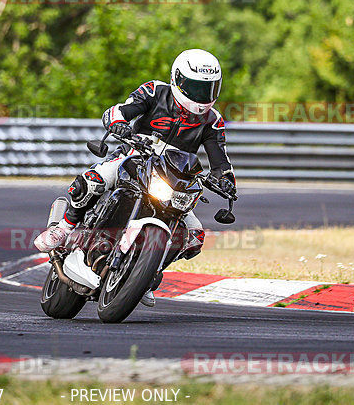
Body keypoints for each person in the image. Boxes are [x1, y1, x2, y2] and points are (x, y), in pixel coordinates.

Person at [34, 49, 237, 306]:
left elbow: (221, 160)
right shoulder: (155, 91)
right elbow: (122, 110)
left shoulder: (213, 121)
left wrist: (226, 181)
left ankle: (147, 273)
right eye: (195, 88)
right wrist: (118, 122)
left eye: (206, 89)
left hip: (175, 177)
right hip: (136, 155)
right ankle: (64, 229)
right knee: (94, 180)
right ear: (178, 79)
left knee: (194, 236)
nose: (201, 96)